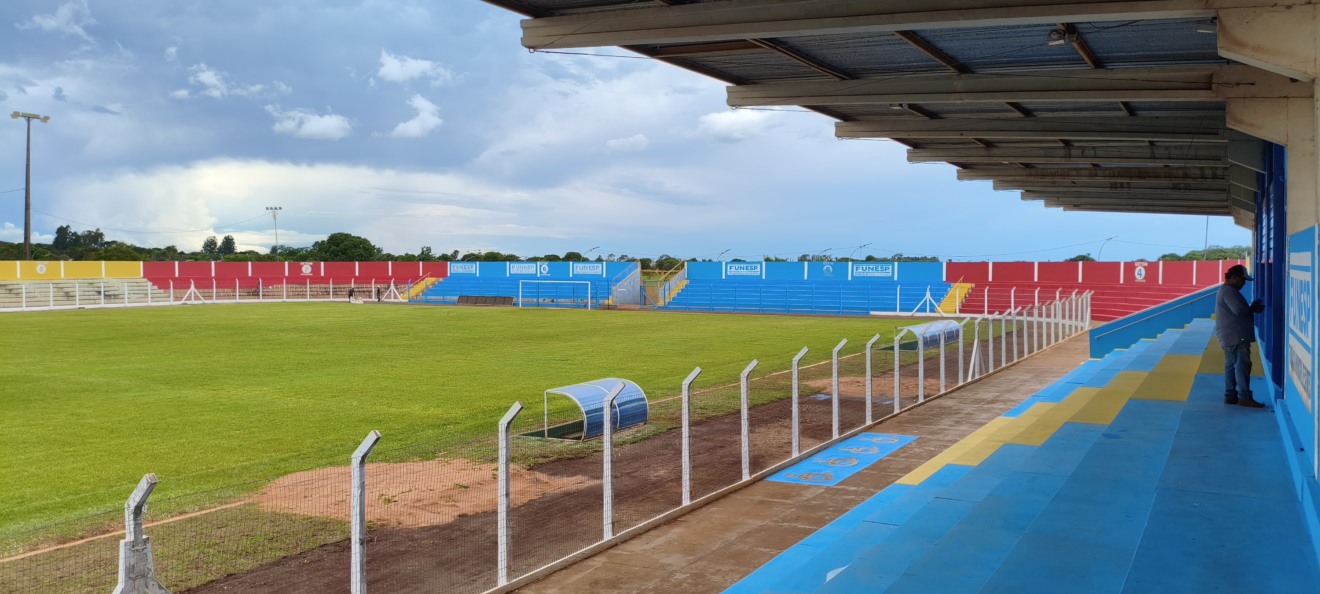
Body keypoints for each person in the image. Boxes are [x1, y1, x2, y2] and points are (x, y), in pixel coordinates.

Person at [1215, 264, 1266, 408]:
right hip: (1236, 336)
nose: (1243, 283)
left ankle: (1230, 396)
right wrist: (1252, 309)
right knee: (1242, 366)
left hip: (1228, 336)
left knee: (1231, 366)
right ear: (1233, 277)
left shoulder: (1224, 290)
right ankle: (1244, 397)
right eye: (1242, 280)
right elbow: (1239, 310)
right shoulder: (1229, 291)